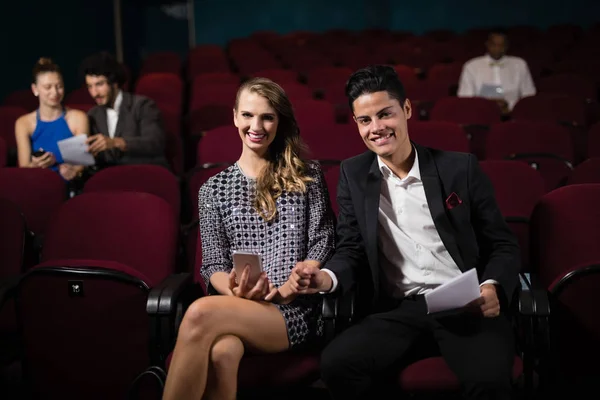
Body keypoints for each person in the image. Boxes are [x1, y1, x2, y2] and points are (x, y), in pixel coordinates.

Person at [296, 65, 520, 400]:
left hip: (464, 304)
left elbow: (503, 244)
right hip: (401, 309)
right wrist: (325, 278)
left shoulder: (460, 168)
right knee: (337, 364)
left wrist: (492, 287)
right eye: (365, 120)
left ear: (407, 110)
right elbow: (351, 249)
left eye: (385, 114)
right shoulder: (353, 174)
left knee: (489, 382)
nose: (377, 128)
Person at [162, 78, 335, 400]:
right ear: (234, 117)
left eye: (267, 117)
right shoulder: (212, 189)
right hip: (239, 304)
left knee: (199, 313)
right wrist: (236, 289)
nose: (256, 126)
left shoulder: (307, 177)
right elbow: (212, 264)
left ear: (279, 121)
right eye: (248, 115)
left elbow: (322, 241)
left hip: (294, 310)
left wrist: (298, 279)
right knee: (222, 353)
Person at [80, 52, 169, 169]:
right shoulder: (93, 114)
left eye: (99, 84)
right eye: (89, 86)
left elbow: (155, 143)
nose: (94, 93)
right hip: (111, 178)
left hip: (145, 174)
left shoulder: (143, 105)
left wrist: (116, 142)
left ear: (114, 83)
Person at [14, 58, 89, 181]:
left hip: (70, 186)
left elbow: (80, 165)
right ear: (35, 89)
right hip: (38, 184)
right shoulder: (23, 123)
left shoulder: (78, 118)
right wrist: (37, 165)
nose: (54, 92)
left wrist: (73, 170)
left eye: (59, 86)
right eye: (47, 87)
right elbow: (24, 168)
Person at [457, 28, 536, 113]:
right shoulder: (472, 66)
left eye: (502, 45)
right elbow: (465, 97)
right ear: (487, 44)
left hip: (513, 113)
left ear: (507, 46)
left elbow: (528, 95)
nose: (498, 48)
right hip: (481, 113)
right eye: (494, 44)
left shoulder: (519, 65)